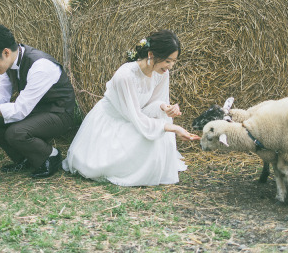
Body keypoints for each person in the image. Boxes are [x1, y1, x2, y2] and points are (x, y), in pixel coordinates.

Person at [62, 29, 200, 186]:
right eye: (167, 61)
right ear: (151, 54)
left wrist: (164, 107)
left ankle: (151, 164)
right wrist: (174, 128)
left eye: (174, 61)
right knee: (159, 132)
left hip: (135, 117)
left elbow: (152, 103)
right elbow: (136, 117)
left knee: (162, 121)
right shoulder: (125, 76)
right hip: (114, 122)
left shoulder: (162, 73)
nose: (170, 66)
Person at [0, 24, 75, 178]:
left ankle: (51, 156)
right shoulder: (8, 63)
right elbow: (2, 92)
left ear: (6, 52)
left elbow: (19, 111)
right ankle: (24, 157)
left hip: (58, 113)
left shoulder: (40, 66)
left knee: (16, 132)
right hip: (33, 110)